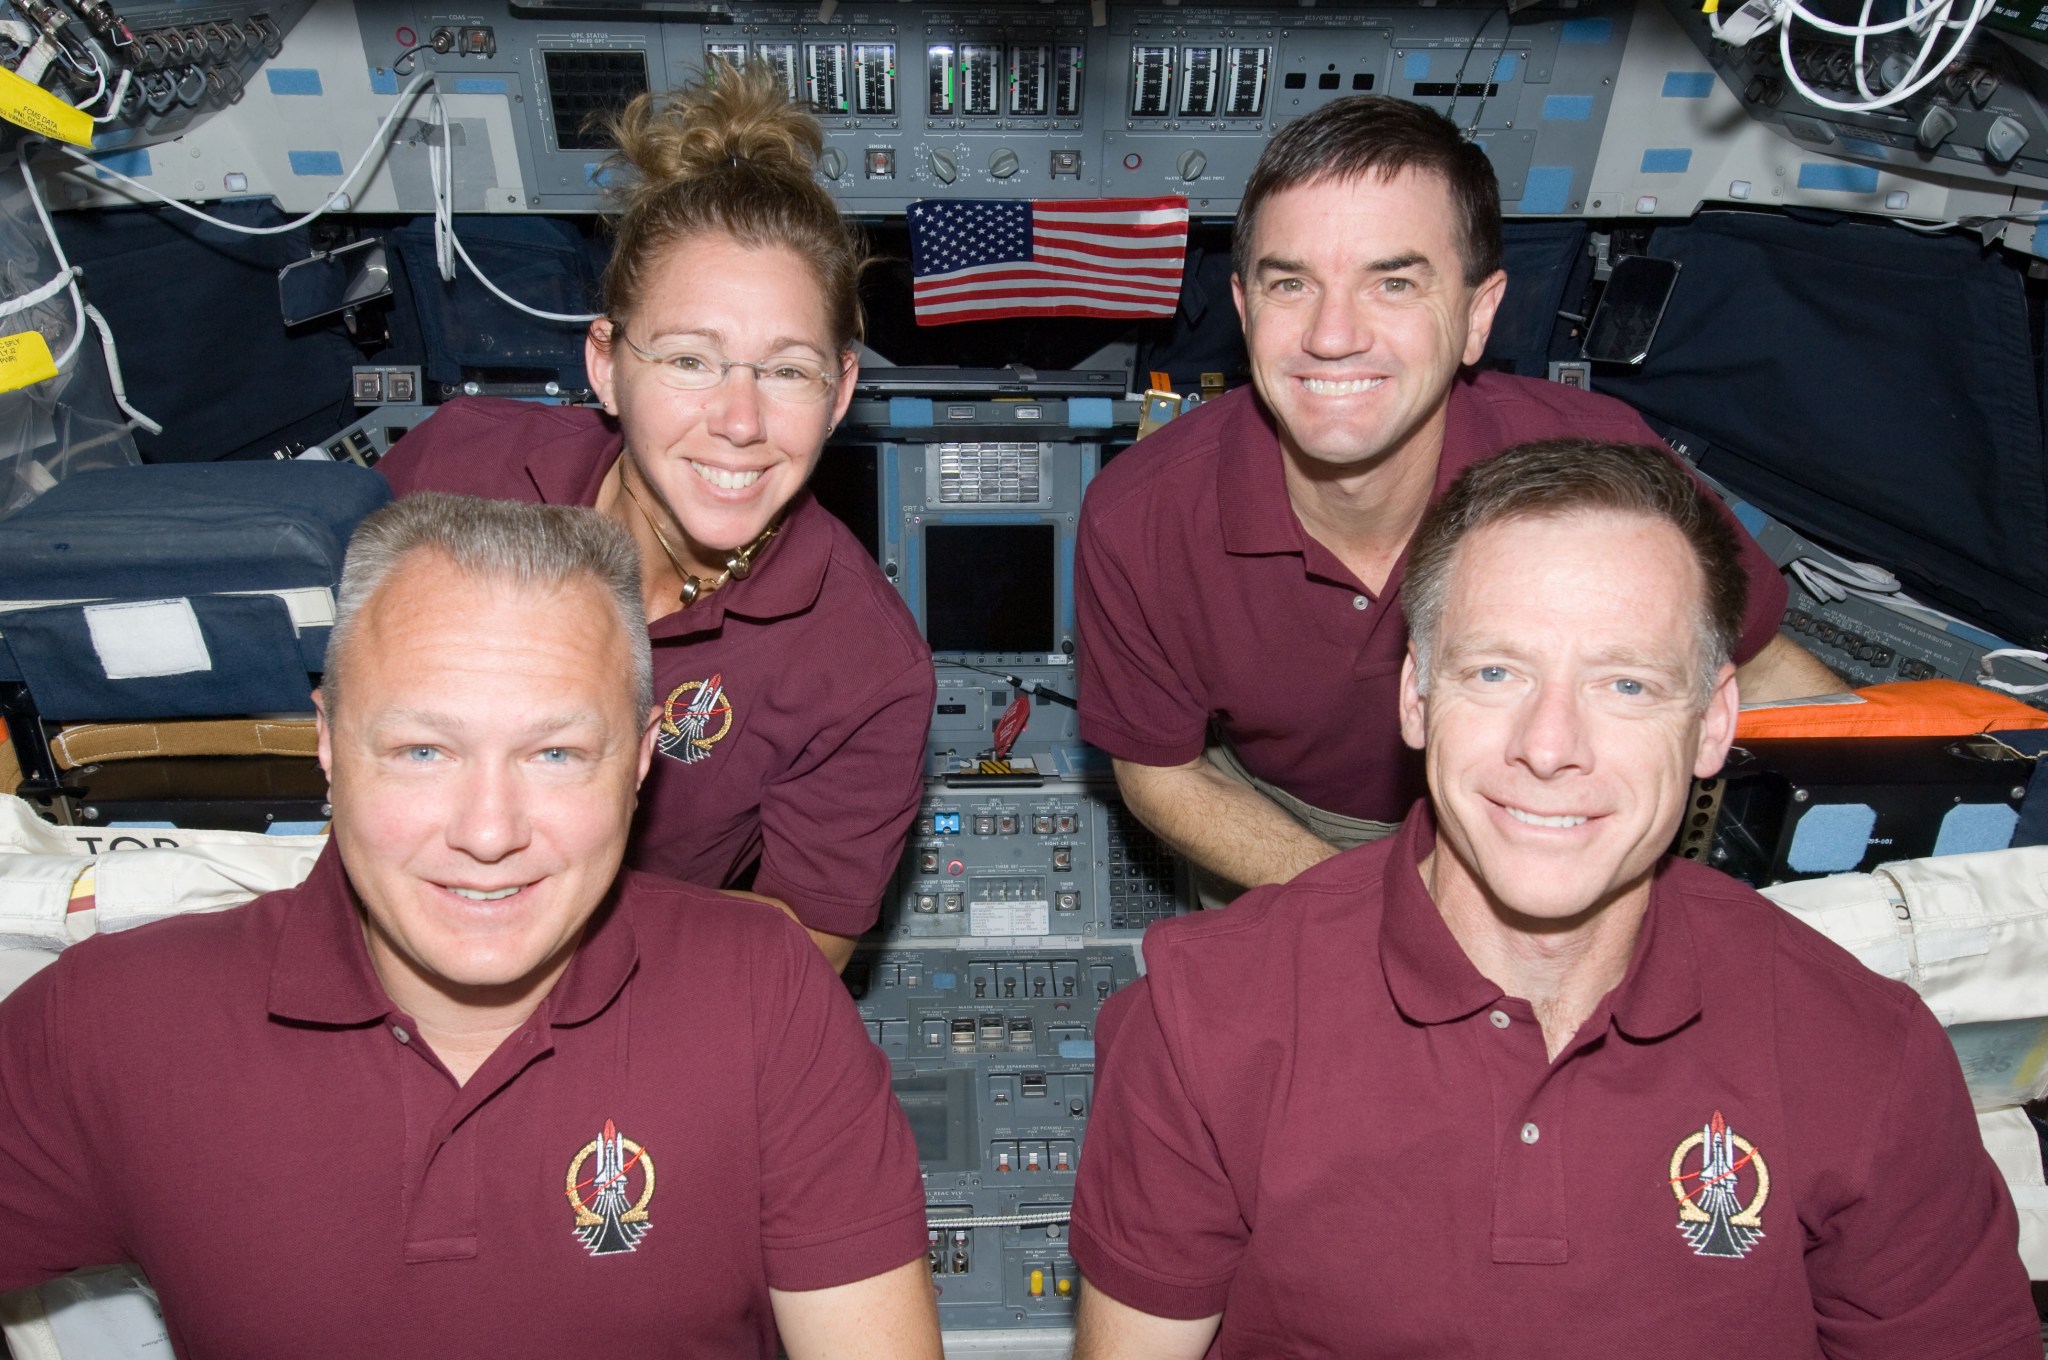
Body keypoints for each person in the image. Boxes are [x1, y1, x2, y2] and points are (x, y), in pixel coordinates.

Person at [1065, 440, 2037, 1359]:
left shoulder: (1865, 1053)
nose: (1548, 743)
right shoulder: (1201, 1024)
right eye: (1495, 672)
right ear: (1414, 696)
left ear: (1710, 723)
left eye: (1623, 683)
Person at [0, 494, 943, 1359]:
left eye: (557, 752)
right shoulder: (110, 1023)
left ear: (644, 761)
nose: (489, 833)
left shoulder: (763, 996)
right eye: (422, 749)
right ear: (327, 743)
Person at [1075, 95, 1844, 900]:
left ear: (1478, 315)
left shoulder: (1605, 462)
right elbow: (1165, 775)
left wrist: (1912, 800)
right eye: (1292, 283)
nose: (1332, 335)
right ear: (1244, 309)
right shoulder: (1142, 512)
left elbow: (1753, 666)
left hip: (1563, 805)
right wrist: (1386, 910)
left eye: (1394, 283)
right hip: (1287, 827)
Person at [377, 61, 932, 970]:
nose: (741, 422)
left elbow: (795, 947)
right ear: (605, 363)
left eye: (787, 371)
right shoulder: (458, 468)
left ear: (839, 396)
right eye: (688, 361)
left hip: (621, 984)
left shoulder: (861, 664)